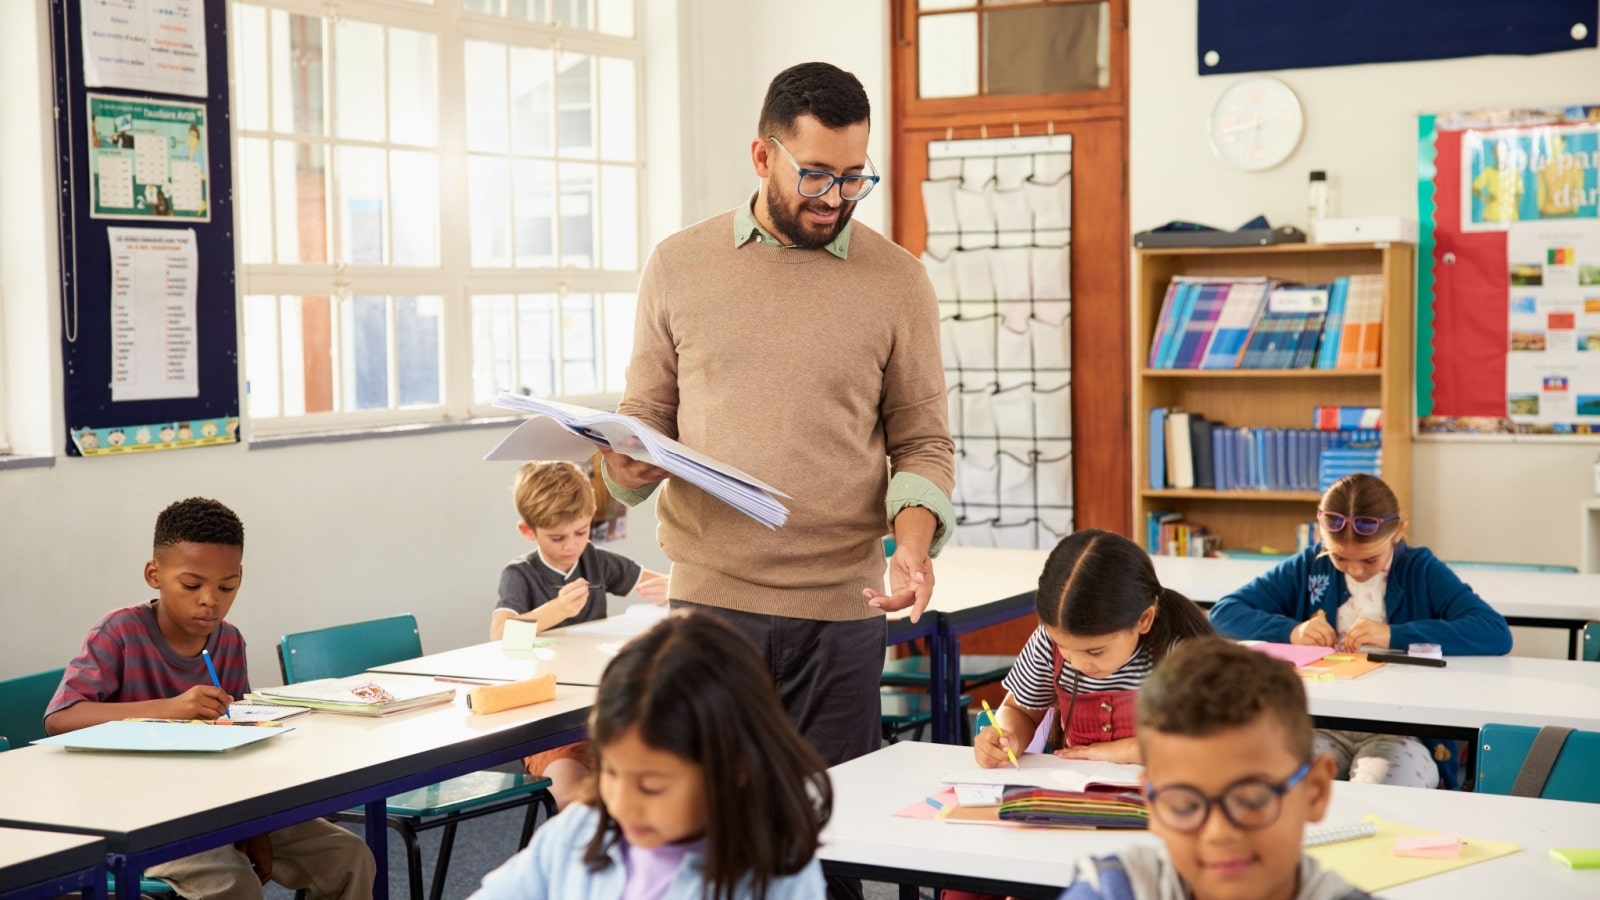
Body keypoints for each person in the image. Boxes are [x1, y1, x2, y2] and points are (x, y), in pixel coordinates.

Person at [600, 60, 956, 780]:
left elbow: (922, 441)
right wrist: (623, 464)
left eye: (855, 176)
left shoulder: (898, 281)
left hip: (843, 610)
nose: (837, 198)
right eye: (818, 174)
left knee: (828, 839)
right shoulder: (678, 265)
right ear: (763, 156)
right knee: (713, 837)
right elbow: (643, 414)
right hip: (709, 606)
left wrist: (913, 548)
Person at [44, 498, 375, 900]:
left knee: (350, 856)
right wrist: (168, 710)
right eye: (191, 585)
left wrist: (258, 827)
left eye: (227, 586)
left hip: (218, 806)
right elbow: (61, 718)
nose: (210, 600)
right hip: (138, 814)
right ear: (154, 575)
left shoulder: (229, 642)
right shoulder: (119, 634)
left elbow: (240, 742)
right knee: (233, 885)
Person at [469, 610, 830, 900]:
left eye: (652, 786)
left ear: (734, 767)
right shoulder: (575, 832)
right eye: (609, 773)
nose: (622, 805)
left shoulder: (775, 873)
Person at [1208, 473, 1512, 789]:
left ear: (1398, 533)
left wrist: (1394, 634)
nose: (1355, 569)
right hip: (1318, 724)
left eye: (1370, 559)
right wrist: (1293, 631)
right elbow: (1224, 613)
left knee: (1381, 795)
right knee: (1274, 783)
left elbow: (1493, 631)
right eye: (1339, 557)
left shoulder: (1419, 569)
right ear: (1320, 533)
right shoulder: (1310, 565)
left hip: (1400, 731)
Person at [1059, 638, 1369, 900]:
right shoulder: (1113, 889)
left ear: (1314, 792)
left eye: (1252, 799)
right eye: (1184, 804)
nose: (1219, 833)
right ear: (1152, 803)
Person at [492, 459, 667, 808]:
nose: (571, 545)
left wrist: (670, 586)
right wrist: (555, 611)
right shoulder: (520, 574)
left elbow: (651, 581)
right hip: (548, 722)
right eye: (557, 537)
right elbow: (499, 635)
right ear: (529, 531)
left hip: (602, 711)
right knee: (576, 801)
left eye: (581, 531)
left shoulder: (595, 560)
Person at [975, 529, 1214, 769]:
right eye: (1064, 647)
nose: (1078, 664)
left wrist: (1120, 751)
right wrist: (1008, 738)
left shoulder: (1181, 653)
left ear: (1143, 620)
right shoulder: (1047, 642)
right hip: (1078, 791)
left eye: (1095, 652)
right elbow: (1020, 710)